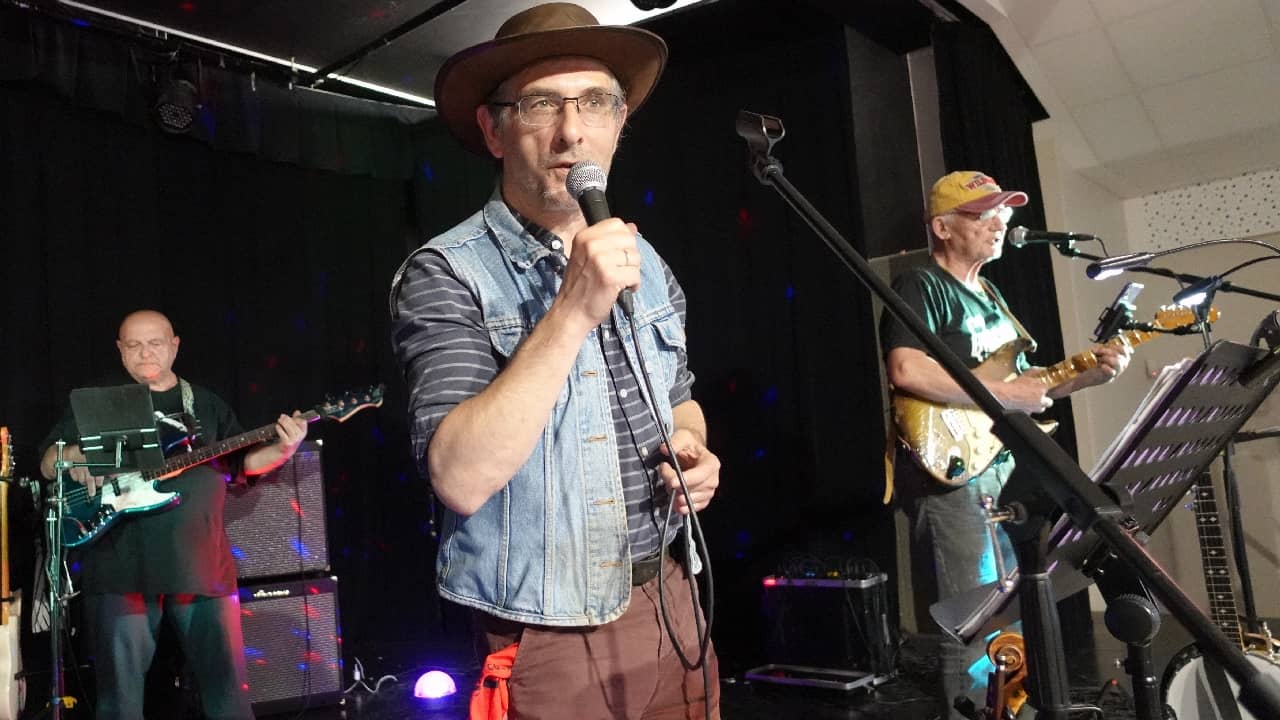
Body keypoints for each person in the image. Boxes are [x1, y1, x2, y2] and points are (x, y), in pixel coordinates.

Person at [389, 4, 721, 718]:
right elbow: (458, 476)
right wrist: (572, 308)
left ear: (620, 119)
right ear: (492, 128)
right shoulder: (447, 272)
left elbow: (680, 393)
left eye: (595, 102)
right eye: (541, 103)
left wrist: (691, 445)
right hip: (547, 626)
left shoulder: (646, 259)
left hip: (670, 597)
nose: (572, 131)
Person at [879, 171, 1132, 719]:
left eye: (1004, 213)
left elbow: (1024, 387)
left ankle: (1011, 711)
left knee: (1011, 608)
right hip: (951, 465)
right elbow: (906, 369)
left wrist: (1087, 376)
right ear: (942, 227)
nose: (1000, 223)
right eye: (983, 214)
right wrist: (1004, 391)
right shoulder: (921, 285)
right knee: (972, 614)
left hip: (1001, 463)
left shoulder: (991, 295)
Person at [39, 309, 308, 720]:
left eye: (155, 343)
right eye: (134, 345)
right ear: (120, 350)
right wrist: (76, 456)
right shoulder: (99, 403)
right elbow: (47, 462)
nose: (145, 353)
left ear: (175, 345)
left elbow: (243, 466)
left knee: (228, 697)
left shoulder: (205, 404)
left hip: (201, 565)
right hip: (120, 568)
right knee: (119, 703)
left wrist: (286, 448)